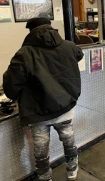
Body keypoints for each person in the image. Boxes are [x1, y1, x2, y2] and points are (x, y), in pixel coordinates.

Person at [3, 17, 84, 181]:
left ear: (30, 32)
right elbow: (79, 55)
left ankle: (45, 177)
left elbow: (11, 86)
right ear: (51, 27)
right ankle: (72, 171)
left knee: (41, 148)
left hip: (38, 111)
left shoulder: (24, 54)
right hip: (65, 106)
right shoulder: (69, 46)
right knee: (68, 139)